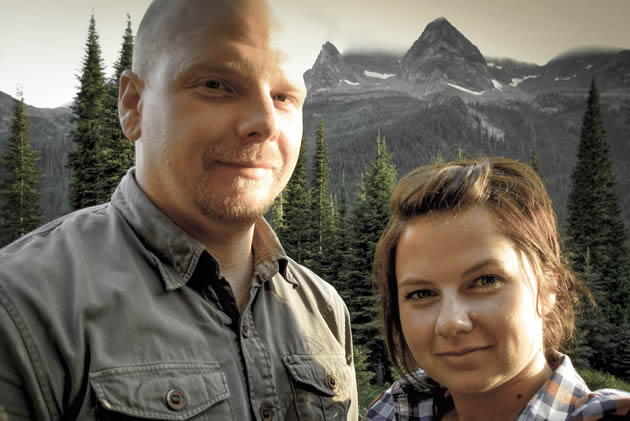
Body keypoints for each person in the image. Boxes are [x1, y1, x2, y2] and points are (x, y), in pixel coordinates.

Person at [0, 0, 357, 419]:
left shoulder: (326, 309)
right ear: (133, 106)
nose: (265, 122)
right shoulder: (22, 305)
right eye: (217, 85)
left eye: (283, 96)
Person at [365, 157, 630, 421]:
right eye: (421, 294)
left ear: (550, 286)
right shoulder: (396, 409)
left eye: (485, 281)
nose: (451, 323)